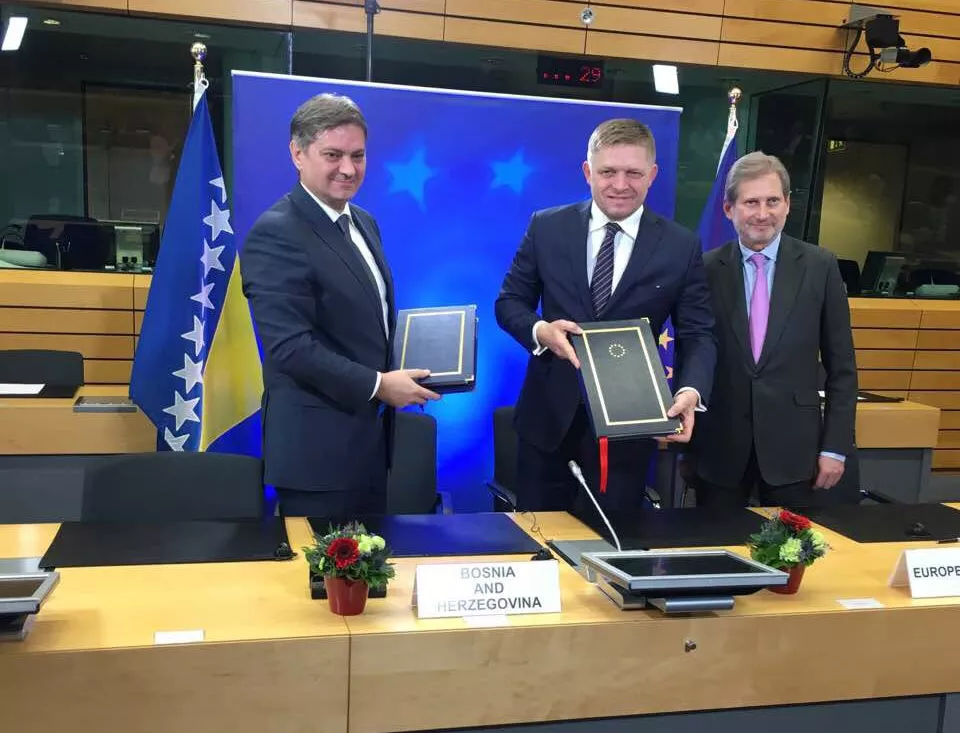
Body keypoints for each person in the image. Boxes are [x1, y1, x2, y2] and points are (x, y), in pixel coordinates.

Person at [495, 118, 717, 512]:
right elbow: (509, 302)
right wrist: (541, 331)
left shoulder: (680, 246)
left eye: (633, 173)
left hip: (629, 429)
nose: (620, 184)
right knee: (538, 538)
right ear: (588, 172)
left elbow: (698, 333)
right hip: (547, 423)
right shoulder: (547, 227)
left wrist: (690, 391)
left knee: (613, 541)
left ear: (652, 175)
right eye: (608, 172)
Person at [240, 93, 440, 517]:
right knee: (320, 564)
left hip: (371, 447)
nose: (348, 169)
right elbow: (290, 348)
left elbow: (365, 325)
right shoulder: (276, 232)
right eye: (332, 155)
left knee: (373, 559)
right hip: (317, 458)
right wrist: (379, 385)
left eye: (357, 155)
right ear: (297, 154)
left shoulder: (364, 222)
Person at [691, 151, 858, 508]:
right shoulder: (706, 269)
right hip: (720, 451)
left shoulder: (820, 266)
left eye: (772, 201)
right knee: (717, 541)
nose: (762, 213)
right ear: (729, 209)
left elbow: (842, 368)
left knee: (795, 545)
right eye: (751, 202)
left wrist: (835, 447)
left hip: (797, 453)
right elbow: (693, 350)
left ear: (787, 205)